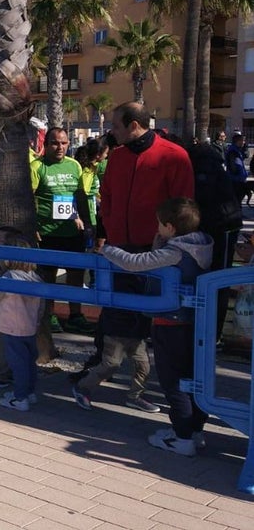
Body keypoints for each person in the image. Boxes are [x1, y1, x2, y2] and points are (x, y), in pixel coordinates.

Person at [72, 102, 194, 385]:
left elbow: (184, 205)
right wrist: (110, 231)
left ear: (133, 125)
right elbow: (108, 196)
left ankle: (158, 383)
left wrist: (166, 244)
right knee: (113, 314)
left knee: (155, 322)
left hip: (157, 255)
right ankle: (99, 368)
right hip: (121, 251)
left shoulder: (174, 156)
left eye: (115, 125)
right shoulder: (118, 157)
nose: (111, 132)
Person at [97, 197, 213, 454]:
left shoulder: (174, 253)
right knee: (192, 378)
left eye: (160, 225)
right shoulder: (201, 245)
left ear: (170, 227)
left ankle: (181, 438)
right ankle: (194, 431)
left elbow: (135, 263)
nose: (157, 228)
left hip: (169, 323)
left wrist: (107, 249)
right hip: (193, 323)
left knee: (174, 381)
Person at [30, 127, 97, 347]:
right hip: (47, 234)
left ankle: (75, 316)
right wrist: (32, 227)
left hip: (72, 233)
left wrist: (88, 224)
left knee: (76, 276)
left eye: (64, 143)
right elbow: (27, 199)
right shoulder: (37, 167)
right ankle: (48, 314)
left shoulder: (74, 165)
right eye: (55, 143)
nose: (60, 147)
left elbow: (81, 196)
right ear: (46, 144)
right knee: (47, 278)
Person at [0, 233, 44, 412]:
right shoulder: (35, 277)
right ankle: (29, 392)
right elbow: (41, 305)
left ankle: (20, 398)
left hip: (11, 327)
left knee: (17, 363)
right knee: (29, 361)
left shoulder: (9, 277)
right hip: (30, 326)